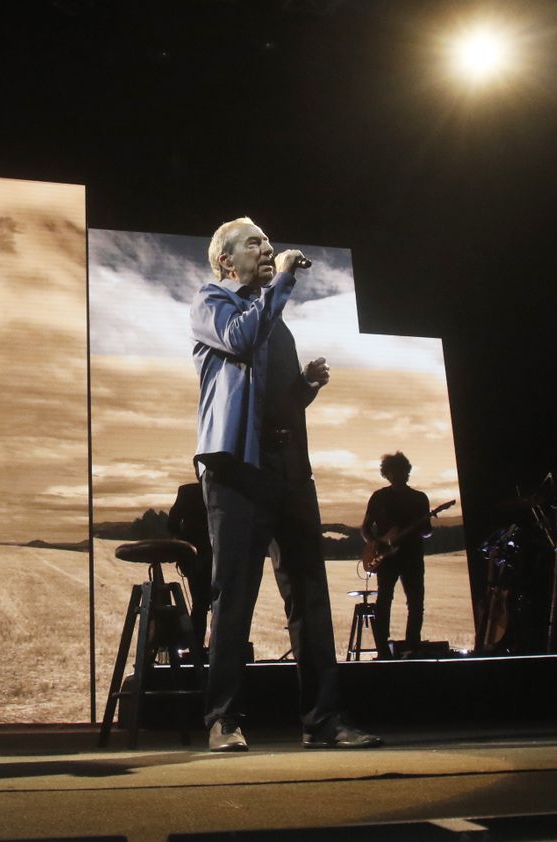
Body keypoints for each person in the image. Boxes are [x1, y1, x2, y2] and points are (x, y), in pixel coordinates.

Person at [190, 216, 380, 752]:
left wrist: (306, 387)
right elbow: (241, 339)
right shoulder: (212, 302)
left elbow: (276, 402)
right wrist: (282, 285)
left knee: (310, 597)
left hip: (290, 469)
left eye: (270, 244)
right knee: (234, 596)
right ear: (227, 260)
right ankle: (223, 719)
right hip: (237, 469)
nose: (268, 249)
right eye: (256, 243)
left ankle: (324, 721)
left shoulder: (276, 318)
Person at [362, 451, 432, 659]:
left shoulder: (419, 499)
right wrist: (376, 543)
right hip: (387, 558)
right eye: (392, 471)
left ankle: (412, 646)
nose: (397, 475)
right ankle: (382, 649)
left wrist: (421, 529)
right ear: (387, 474)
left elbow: (427, 531)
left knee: (416, 602)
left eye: (400, 470)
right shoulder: (379, 497)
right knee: (384, 600)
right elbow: (365, 528)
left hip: (412, 557)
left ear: (406, 471)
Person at [167, 480, 213, 652]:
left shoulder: (187, 491)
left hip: (196, 557)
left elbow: (172, 523)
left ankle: (197, 647)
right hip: (206, 556)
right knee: (206, 604)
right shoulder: (223, 491)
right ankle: (207, 647)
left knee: (199, 605)